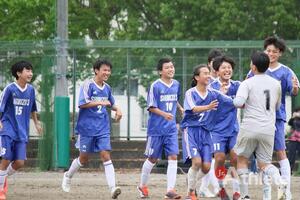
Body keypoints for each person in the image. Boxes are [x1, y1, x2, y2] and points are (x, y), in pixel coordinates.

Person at [61, 59, 122, 199]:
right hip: (86, 128)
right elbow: (82, 104)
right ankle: (68, 176)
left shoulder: (107, 87)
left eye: (108, 70)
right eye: (104, 70)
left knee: (106, 155)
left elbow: (111, 103)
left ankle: (113, 188)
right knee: (83, 158)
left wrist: (118, 109)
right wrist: (101, 102)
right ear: (96, 70)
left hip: (103, 127)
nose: (107, 73)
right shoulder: (87, 85)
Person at [247, 36, 299, 199]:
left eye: (275, 51)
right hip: (258, 117)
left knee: (281, 152)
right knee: (264, 157)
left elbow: (293, 91)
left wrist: (296, 88)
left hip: (276, 118)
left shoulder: (285, 71)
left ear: (280, 53)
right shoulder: (255, 69)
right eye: (268, 50)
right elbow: (246, 88)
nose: (271, 53)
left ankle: (286, 191)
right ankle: (267, 193)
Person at [234, 51, 286, 200]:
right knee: (265, 164)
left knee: (242, 159)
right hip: (269, 128)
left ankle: (244, 196)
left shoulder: (247, 82)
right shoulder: (276, 84)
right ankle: (280, 181)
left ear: (254, 67)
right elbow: (276, 107)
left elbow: (238, 103)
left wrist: (231, 99)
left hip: (250, 126)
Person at [181, 64, 235, 200]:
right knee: (197, 162)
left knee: (206, 167)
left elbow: (232, 102)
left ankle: (191, 182)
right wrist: (208, 107)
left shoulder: (214, 93)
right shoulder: (190, 92)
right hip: (192, 131)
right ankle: (190, 193)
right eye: (205, 73)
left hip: (206, 133)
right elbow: (193, 109)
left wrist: (245, 102)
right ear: (197, 77)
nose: (208, 76)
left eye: (208, 73)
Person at [137, 58, 183, 199]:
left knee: (173, 156)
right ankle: (142, 186)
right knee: (152, 158)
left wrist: (180, 108)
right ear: (160, 71)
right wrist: (164, 114)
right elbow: (151, 107)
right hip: (156, 129)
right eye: (167, 67)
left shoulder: (176, 84)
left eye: (172, 66)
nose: (171, 69)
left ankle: (170, 190)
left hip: (170, 129)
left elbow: (174, 99)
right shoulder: (155, 86)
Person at [0, 61, 43, 200]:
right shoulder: (10, 89)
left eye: (31, 70)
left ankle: (2, 176)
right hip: (8, 127)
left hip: (22, 130)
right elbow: (1, 106)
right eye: (27, 70)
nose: (30, 73)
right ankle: (1, 190)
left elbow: (33, 108)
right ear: (19, 73)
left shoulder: (30, 90)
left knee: (19, 162)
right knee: (6, 158)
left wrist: (36, 124)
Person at [210, 55, 241, 200]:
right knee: (220, 158)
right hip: (217, 131)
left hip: (234, 129)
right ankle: (220, 187)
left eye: (229, 67)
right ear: (216, 71)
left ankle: (236, 191)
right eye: (223, 67)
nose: (227, 70)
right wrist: (220, 95)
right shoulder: (212, 87)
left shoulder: (238, 86)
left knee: (235, 157)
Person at [197, 49, 224, 198]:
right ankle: (216, 187)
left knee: (215, 158)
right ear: (209, 64)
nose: (218, 65)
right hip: (208, 125)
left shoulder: (225, 81)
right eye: (214, 62)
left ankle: (203, 186)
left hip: (223, 125)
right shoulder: (206, 82)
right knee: (210, 157)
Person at [287, 108, 300, 173]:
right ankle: (289, 171)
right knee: (291, 156)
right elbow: (289, 123)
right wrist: (293, 117)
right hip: (293, 139)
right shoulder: (294, 119)